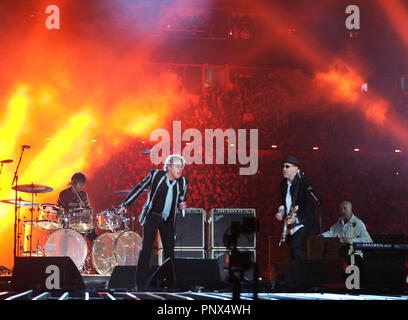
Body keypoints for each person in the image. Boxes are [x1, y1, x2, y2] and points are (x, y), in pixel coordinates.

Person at [118, 154, 188, 288]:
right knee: (146, 250)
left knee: (169, 251)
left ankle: (170, 283)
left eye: (182, 167)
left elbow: (182, 198)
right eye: (177, 166)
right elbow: (139, 188)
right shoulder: (156, 175)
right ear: (169, 167)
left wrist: (182, 205)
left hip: (167, 220)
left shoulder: (183, 182)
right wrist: (125, 204)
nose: (180, 169)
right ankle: (140, 284)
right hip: (152, 216)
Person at [275, 156, 316, 260]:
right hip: (290, 224)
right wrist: (280, 212)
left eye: (287, 166)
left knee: (296, 247)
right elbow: (284, 203)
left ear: (295, 169)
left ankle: (303, 273)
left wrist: (297, 218)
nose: (284, 169)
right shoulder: (283, 184)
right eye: (283, 166)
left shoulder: (304, 182)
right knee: (290, 251)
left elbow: (310, 205)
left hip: (304, 223)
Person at [57, 172, 97, 241]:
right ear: (74, 183)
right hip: (67, 224)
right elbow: (60, 212)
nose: (82, 187)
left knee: (93, 235)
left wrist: (85, 208)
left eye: (83, 184)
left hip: (80, 223)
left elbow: (89, 212)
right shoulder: (64, 193)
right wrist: (76, 208)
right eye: (81, 184)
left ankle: (98, 249)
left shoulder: (83, 194)